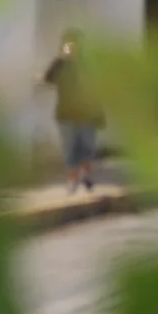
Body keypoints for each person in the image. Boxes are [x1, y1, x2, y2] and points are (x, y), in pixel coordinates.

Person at [44, 30, 102, 193]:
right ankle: (72, 179)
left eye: (74, 43)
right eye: (67, 44)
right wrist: (59, 61)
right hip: (66, 113)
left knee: (87, 147)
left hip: (87, 113)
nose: (71, 47)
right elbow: (48, 78)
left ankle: (86, 176)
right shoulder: (60, 64)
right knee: (70, 149)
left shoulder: (89, 64)